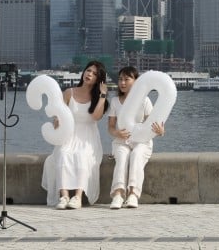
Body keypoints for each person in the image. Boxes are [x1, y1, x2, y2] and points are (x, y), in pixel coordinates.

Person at [41, 60, 108, 209]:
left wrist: (103, 95)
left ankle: (77, 197)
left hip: (88, 138)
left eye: (94, 73)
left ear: (99, 79)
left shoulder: (99, 98)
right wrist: (57, 120)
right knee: (63, 154)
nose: (89, 74)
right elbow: (58, 115)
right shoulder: (69, 93)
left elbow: (96, 117)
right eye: (88, 70)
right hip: (69, 136)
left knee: (83, 156)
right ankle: (64, 196)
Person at [106, 66, 166, 209]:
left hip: (142, 141)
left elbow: (154, 124)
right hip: (121, 141)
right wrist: (117, 133)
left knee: (137, 155)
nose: (123, 82)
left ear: (136, 81)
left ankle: (133, 193)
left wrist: (161, 131)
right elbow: (110, 127)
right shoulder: (115, 101)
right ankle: (118, 194)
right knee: (122, 157)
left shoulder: (144, 101)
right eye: (120, 79)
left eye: (127, 79)